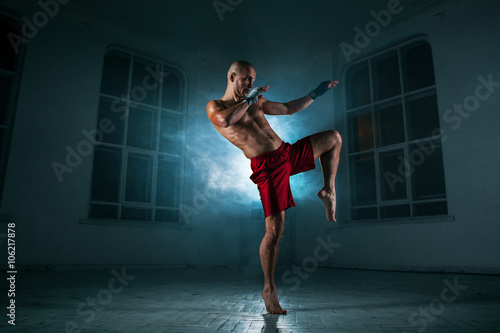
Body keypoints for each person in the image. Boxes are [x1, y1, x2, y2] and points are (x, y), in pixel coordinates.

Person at [206, 60, 342, 314]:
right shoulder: (217, 106)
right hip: (267, 167)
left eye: (253, 80)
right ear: (233, 76)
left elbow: (289, 108)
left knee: (334, 137)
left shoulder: (255, 99)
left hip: (286, 153)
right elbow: (225, 121)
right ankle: (269, 289)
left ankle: (328, 190)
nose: (251, 84)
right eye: (247, 79)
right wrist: (250, 99)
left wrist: (317, 92)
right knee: (276, 229)